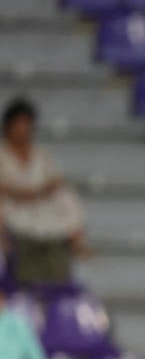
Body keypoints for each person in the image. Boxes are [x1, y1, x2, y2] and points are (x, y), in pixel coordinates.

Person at [0, 98, 87, 286]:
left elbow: (54, 180)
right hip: (11, 205)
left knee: (65, 194)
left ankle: (76, 241)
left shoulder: (39, 153)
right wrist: (21, 193)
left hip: (39, 205)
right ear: (8, 125)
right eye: (19, 123)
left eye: (27, 124)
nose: (23, 129)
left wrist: (39, 192)